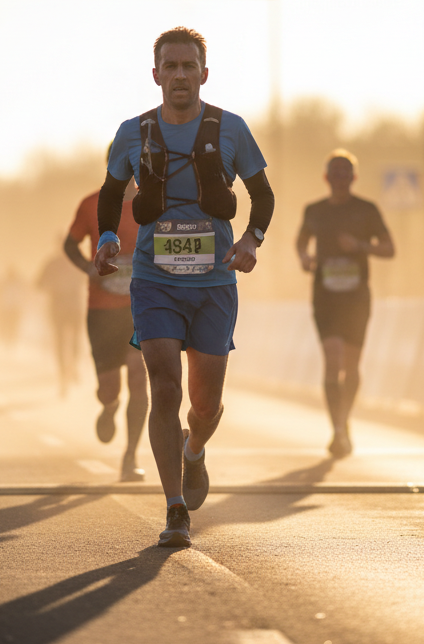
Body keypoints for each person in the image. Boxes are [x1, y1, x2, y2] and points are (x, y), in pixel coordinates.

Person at [94, 27, 274, 548]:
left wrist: (251, 241)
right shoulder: (133, 132)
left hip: (215, 281)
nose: (178, 75)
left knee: (206, 402)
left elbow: (263, 197)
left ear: (203, 74)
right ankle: (175, 507)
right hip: (154, 282)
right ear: (155, 75)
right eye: (169, 67)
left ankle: (195, 449)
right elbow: (111, 196)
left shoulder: (231, 128)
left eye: (187, 66)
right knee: (164, 383)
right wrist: (108, 237)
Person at [296, 150, 395, 458]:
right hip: (325, 295)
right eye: (334, 172)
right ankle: (337, 429)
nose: (340, 178)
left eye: (345, 172)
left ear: (354, 178)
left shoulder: (366, 210)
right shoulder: (313, 210)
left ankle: (344, 421)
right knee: (332, 358)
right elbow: (300, 241)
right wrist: (304, 258)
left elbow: (390, 248)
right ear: (326, 178)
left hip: (356, 297)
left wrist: (361, 246)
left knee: (351, 364)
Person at [64, 168, 148, 482]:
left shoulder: (152, 202)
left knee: (139, 376)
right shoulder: (91, 204)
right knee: (109, 386)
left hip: (141, 308)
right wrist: (88, 268)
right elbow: (69, 245)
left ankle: (130, 456)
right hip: (101, 310)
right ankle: (109, 405)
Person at [36, 249, 84, 398]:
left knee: (61, 342)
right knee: (73, 339)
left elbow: (38, 284)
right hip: (72, 307)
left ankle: (66, 372)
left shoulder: (53, 264)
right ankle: (70, 369)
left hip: (61, 307)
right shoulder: (77, 261)